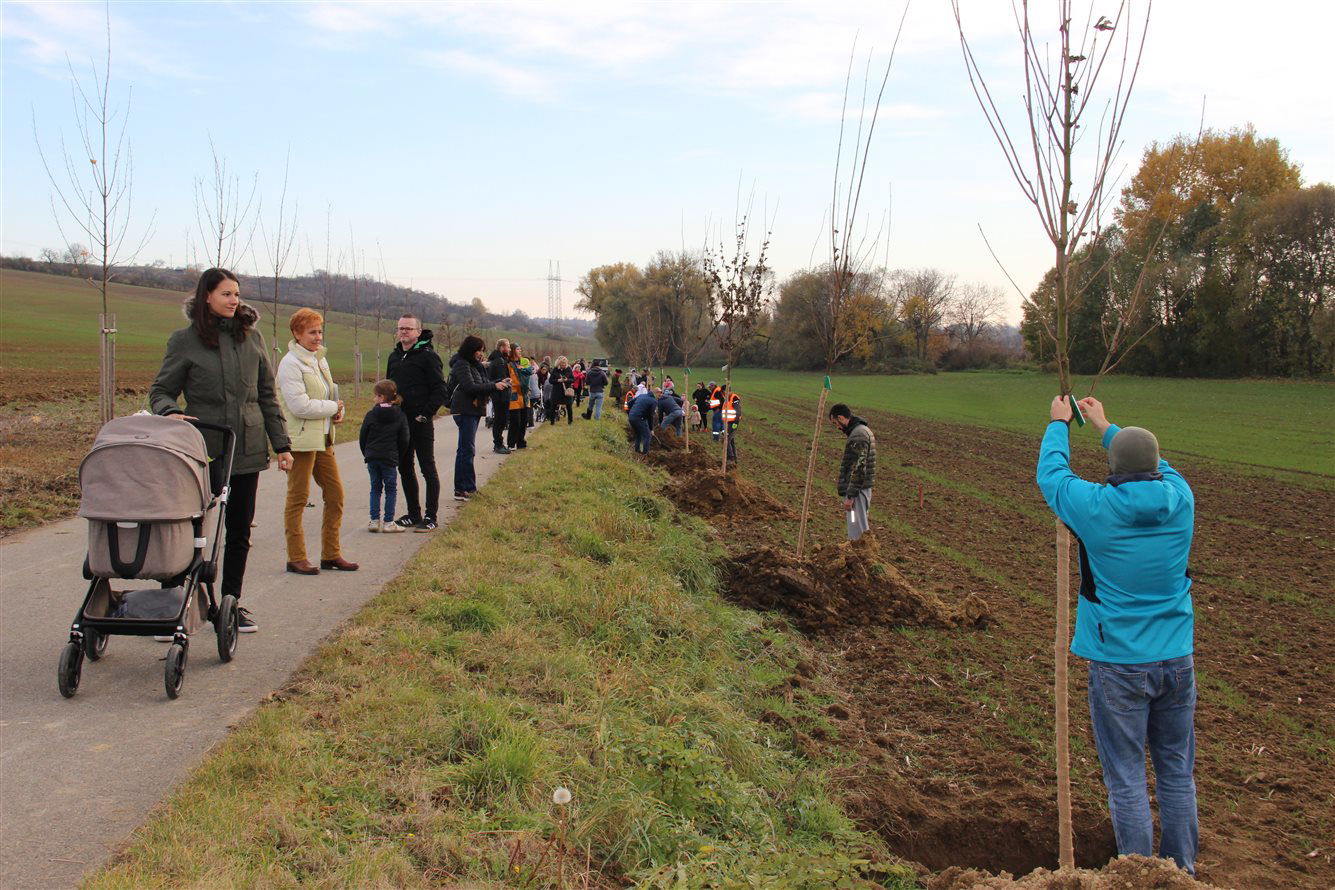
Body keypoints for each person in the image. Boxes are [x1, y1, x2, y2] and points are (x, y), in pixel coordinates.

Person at [1037, 395, 1198, 875]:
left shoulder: (1098, 509)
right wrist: (1108, 426)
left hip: (1119, 664)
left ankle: (1137, 875)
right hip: (1177, 660)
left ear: (1113, 469)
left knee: (1126, 778)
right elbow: (1158, 462)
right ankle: (1181, 874)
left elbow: (1053, 479)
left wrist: (1059, 425)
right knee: (1176, 773)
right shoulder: (1181, 499)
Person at [149, 268, 292, 633]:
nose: (234, 300)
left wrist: (282, 445)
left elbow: (266, 396)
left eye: (236, 294)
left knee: (239, 530)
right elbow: (161, 390)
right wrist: (171, 412)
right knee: (187, 527)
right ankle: (174, 600)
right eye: (226, 294)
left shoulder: (253, 338)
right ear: (207, 297)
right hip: (200, 449)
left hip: (245, 448)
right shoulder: (185, 341)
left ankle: (231, 603)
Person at [276, 308, 358, 575]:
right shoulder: (290, 363)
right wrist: (332, 407)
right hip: (300, 441)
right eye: (312, 332)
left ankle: (331, 554)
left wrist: (338, 411)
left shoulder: (320, 360)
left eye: (320, 331)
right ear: (297, 334)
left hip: (324, 439)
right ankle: (296, 557)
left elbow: (330, 393)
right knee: (298, 499)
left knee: (335, 495)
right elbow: (299, 405)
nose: (317, 336)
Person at [386, 314, 447, 531]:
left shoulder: (428, 356)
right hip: (399, 423)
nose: (403, 332)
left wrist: (426, 413)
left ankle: (431, 516)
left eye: (408, 329)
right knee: (405, 468)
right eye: (401, 328)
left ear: (418, 332)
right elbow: (388, 389)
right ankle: (413, 513)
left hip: (420, 422)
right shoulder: (394, 357)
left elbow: (440, 389)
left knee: (427, 468)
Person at [448, 335, 509, 505]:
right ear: (471, 350)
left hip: (472, 410)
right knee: (467, 450)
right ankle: (466, 488)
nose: (481, 354)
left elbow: (483, 383)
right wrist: (494, 386)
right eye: (479, 350)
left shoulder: (474, 366)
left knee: (465, 450)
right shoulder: (462, 364)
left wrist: (499, 382)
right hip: (464, 410)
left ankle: (462, 488)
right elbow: (470, 387)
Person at [359, 379, 410, 534]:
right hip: (390, 457)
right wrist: (399, 456)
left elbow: (363, 436)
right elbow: (404, 438)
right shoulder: (399, 415)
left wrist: (367, 452)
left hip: (373, 457)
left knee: (375, 488)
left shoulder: (371, 414)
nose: (374, 399)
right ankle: (389, 522)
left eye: (376, 396)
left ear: (381, 397)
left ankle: (374, 521)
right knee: (390, 489)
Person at [830, 403, 876, 541]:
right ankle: (860, 554)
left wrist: (850, 496)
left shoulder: (858, 435)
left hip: (857, 492)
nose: (837, 427)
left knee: (856, 527)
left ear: (841, 418)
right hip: (859, 489)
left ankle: (861, 556)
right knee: (857, 524)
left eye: (835, 423)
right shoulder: (861, 430)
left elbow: (859, 467)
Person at [487, 338, 511, 455]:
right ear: (502, 347)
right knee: (500, 420)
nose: (509, 349)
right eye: (508, 347)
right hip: (500, 395)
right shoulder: (500, 361)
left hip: (499, 394)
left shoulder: (498, 359)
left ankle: (499, 443)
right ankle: (498, 444)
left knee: (500, 420)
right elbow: (498, 380)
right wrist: (506, 381)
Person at [505, 343, 530, 450]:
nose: (520, 351)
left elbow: (530, 371)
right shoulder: (508, 364)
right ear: (513, 351)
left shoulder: (524, 362)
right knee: (515, 421)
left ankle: (521, 443)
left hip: (524, 394)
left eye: (520, 349)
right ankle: (511, 444)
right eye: (518, 349)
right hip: (514, 395)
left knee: (524, 420)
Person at [627, 387, 657, 454]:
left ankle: (637, 451)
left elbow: (629, 404)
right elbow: (650, 416)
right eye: (659, 395)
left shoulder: (641, 396)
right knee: (647, 436)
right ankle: (645, 454)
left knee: (638, 434)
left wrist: (630, 413)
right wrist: (651, 429)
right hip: (639, 418)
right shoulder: (653, 401)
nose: (659, 397)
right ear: (656, 394)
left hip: (631, 417)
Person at [548, 356, 575, 425]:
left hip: (566, 391)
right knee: (553, 406)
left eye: (565, 364)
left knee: (569, 406)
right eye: (562, 364)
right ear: (559, 363)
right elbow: (550, 380)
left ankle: (570, 422)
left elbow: (573, 379)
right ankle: (552, 422)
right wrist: (558, 380)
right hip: (556, 392)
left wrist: (567, 380)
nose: (563, 365)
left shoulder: (569, 369)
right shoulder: (555, 369)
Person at [720, 386, 742, 464]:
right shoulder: (726, 399)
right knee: (731, 440)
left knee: (726, 439)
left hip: (733, 423)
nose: (723, 394)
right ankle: (734, 458)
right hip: (727, 423)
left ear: (729, 391)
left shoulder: (734, 398)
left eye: (725, 392)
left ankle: (730, 458)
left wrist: (735, 424)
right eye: (723, 393)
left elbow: (738, 412)